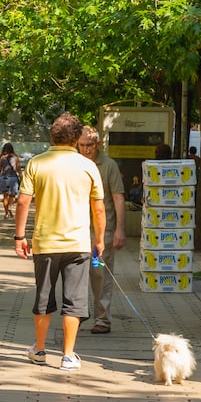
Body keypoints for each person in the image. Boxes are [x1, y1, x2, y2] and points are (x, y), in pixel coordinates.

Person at [14, 112, 105, 372]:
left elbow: (23, 201)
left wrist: (20, 236)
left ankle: (40, 350)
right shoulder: (88, 166)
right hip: (78, 244)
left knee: (43, 296)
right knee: (75, 300)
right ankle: (67, 355)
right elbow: (98, 209)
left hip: (45, 244)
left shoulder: (37, 163)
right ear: (76, 138)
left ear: (52, 135)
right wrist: (99, 240)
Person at [78, 126, 126, 334]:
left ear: (98, 144)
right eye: (82, 145)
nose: (86, 149)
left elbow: (118, 197)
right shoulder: (75, 163)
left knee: (100, 274)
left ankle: (103, 319)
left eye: (90, 145)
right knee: (76, 273)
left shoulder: (108, 166)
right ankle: (77, 312)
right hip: (77, 229)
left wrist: (120, 229)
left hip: (101, 232)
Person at [0, 143, 21, 219]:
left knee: (5, 197)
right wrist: (22, 178)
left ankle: (6, 213)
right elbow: (18, 169)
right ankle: (11, 207)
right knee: (12, 196)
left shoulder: (1, 158)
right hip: (13, 178)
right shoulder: (16, 158)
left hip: (4, 178)